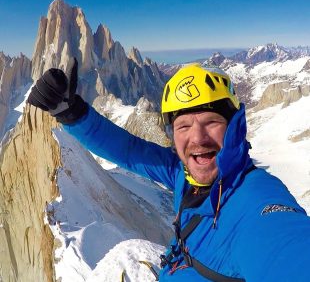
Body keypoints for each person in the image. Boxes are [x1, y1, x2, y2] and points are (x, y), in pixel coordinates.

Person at [28, 59, 310, 281]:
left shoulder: (256, 201)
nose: (197, 138)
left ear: (235, 125)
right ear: (173, 137)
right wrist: (72, 114)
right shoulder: (183, 174)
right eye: (184, 126)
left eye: (211, 121)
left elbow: (287, 250)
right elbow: (130, 150)